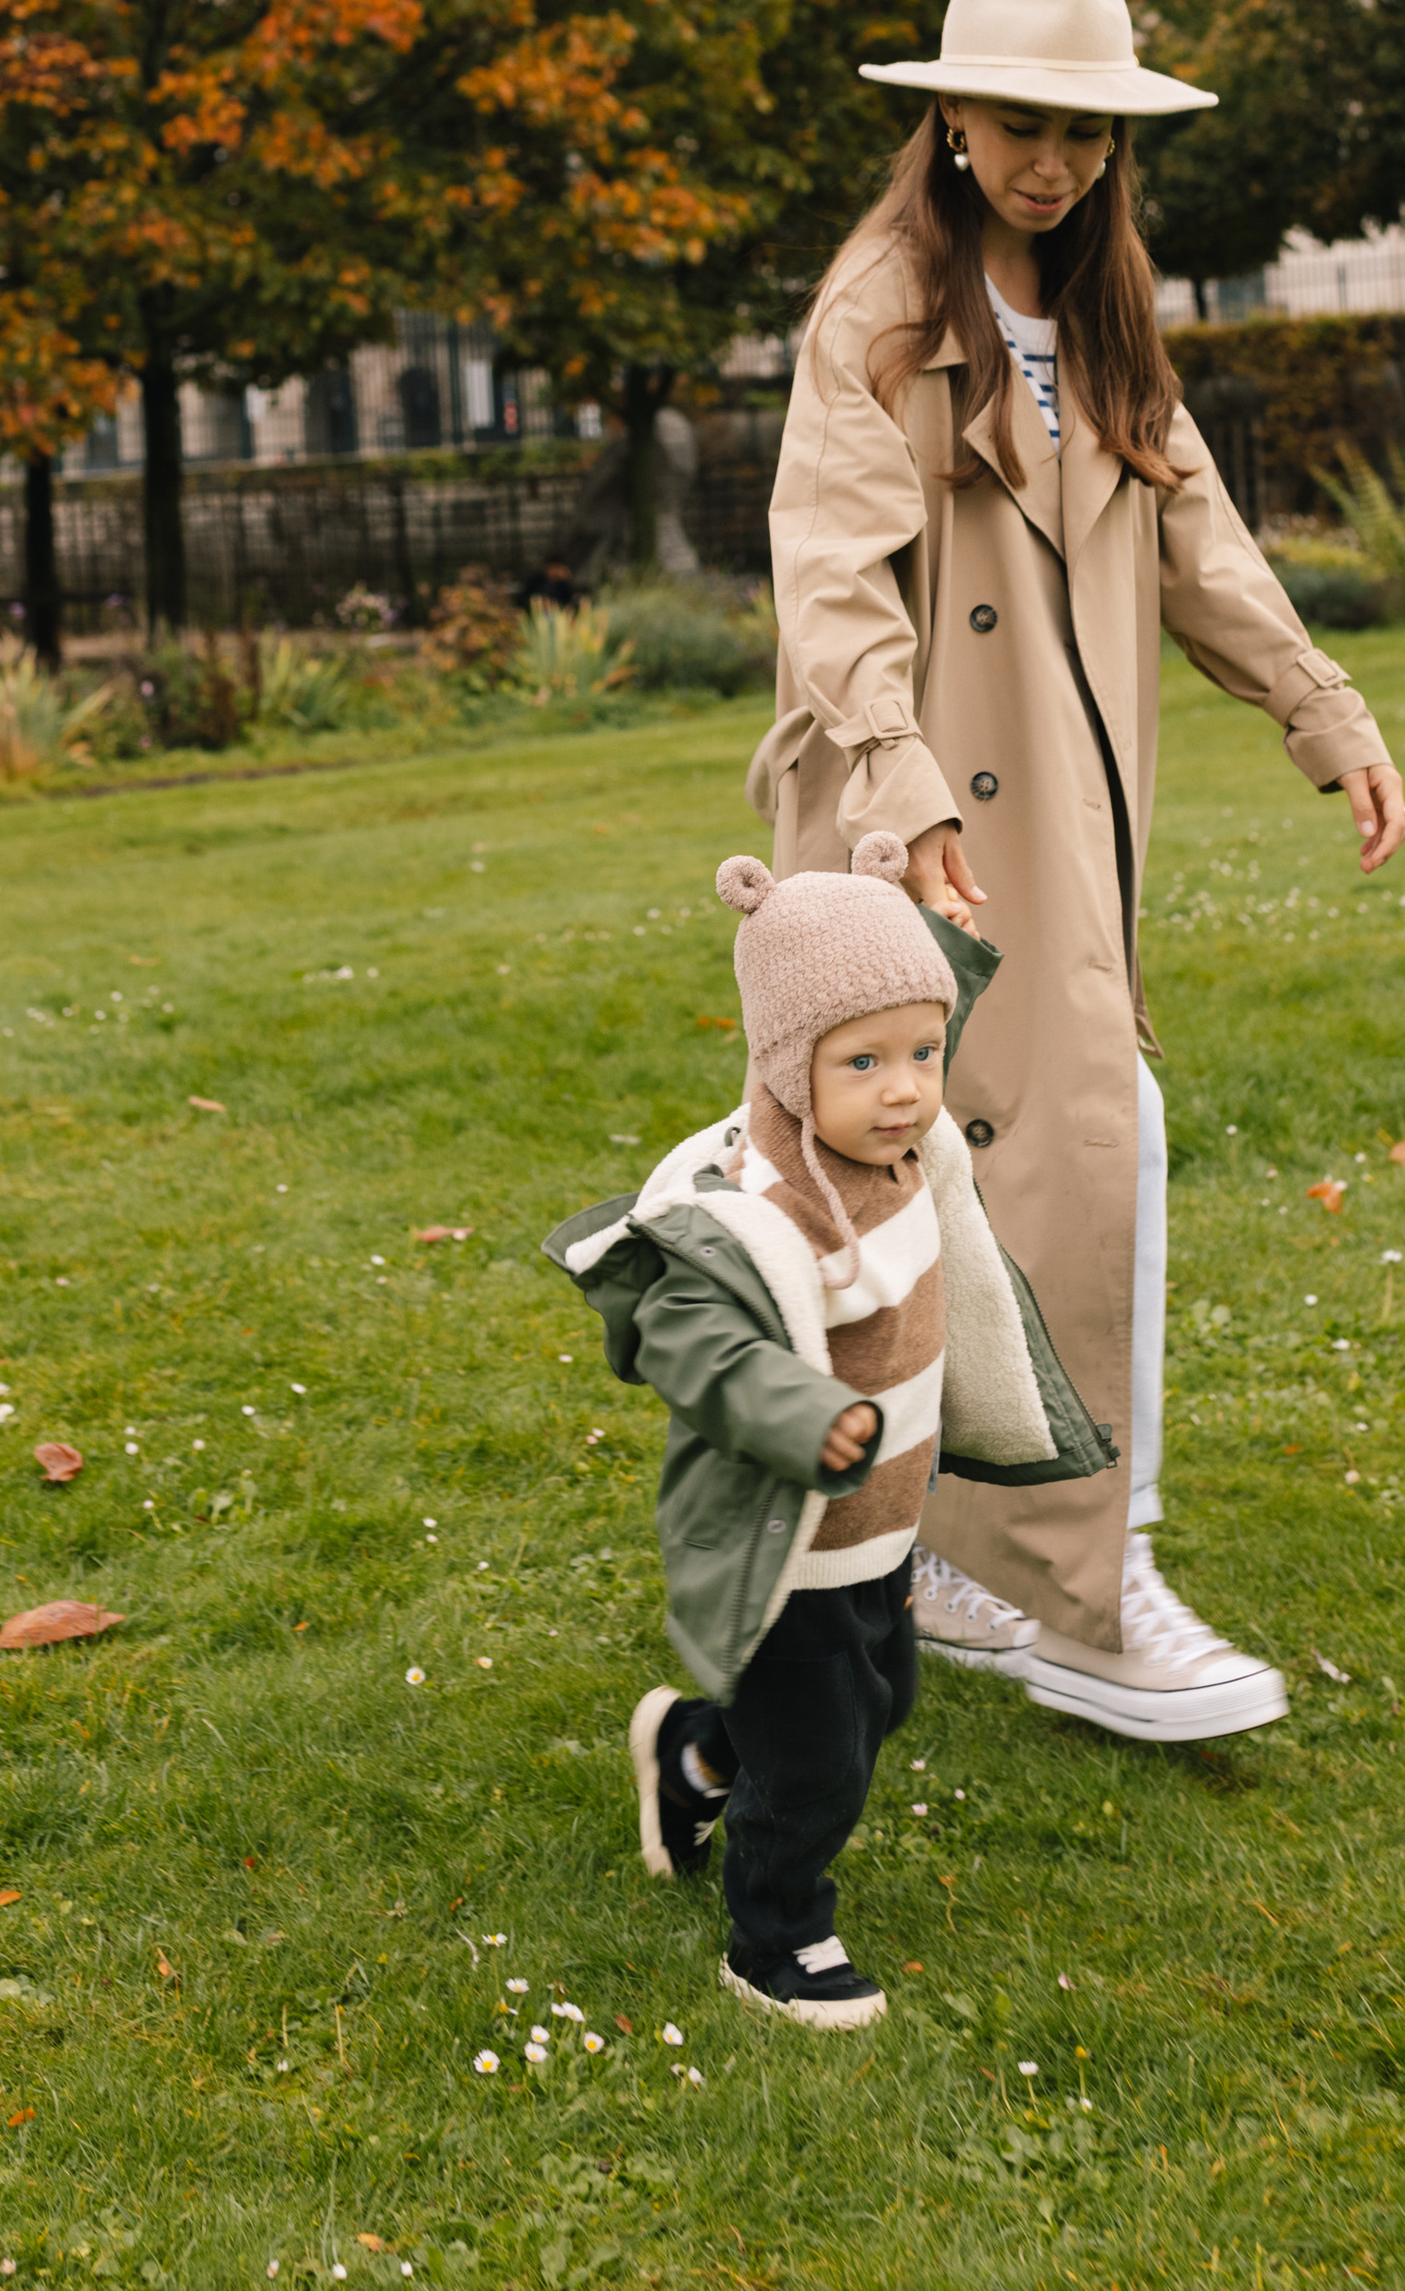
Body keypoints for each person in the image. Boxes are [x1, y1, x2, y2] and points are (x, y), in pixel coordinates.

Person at [747, 0, 1405, 1746]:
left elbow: (1198, 536)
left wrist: (1318, 708)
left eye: (1088, 135)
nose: (1053, 162)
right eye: (1025, 126)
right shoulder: (883, 303)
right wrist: (893, 782)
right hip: (924, 819)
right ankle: (1084, 1590)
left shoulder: (1099, 303)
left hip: (1052, 809)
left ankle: (971, 1547)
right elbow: (831, 568)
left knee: (1014, 1166)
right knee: (1011, 1161)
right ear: (952, 121)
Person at [543, 833, 1110, 2029]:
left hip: (881, 1528)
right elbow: (694, 1348)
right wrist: (807, 1416)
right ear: (790, 1068)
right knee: (817, 1761)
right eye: (863, 1061)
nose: (904, 1086)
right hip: (789, 1540)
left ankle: (696, 1755)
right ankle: (776, 1938)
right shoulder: (745, 1223)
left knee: (884, 1699)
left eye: (922, 1050)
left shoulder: (912, 1162)